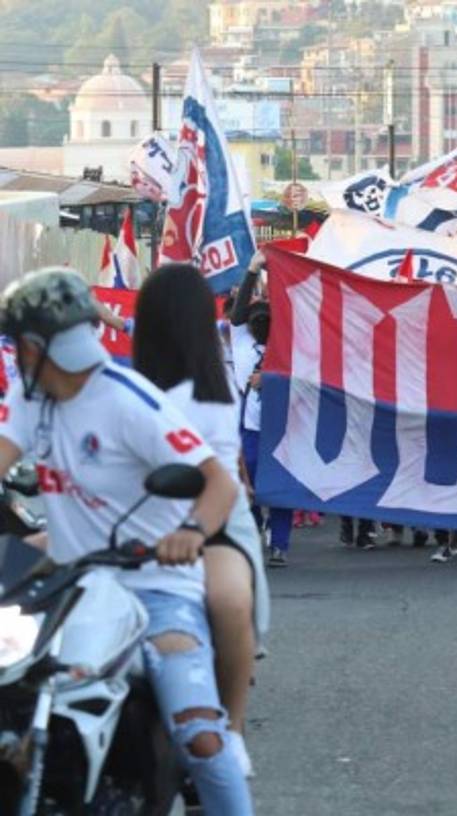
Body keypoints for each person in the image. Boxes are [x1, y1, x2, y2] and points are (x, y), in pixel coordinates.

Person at [0, 267, 252, 813]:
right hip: (67, 593)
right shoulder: (30, 399)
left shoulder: (127, 400)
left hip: (156, 590)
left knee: (202, 738)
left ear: (37, 346)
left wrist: (190, 531)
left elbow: (218, 481)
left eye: (18, 343)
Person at [130, 263, 270, 778]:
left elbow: (219, 481)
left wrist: (189, 529)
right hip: (131, 519)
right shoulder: (124, 387)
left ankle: (231, 732)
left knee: (228, 599)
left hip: (210, 525)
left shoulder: (215, 393)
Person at [231, 251, 293, 567]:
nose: (259, 320)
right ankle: (254, 530)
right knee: (249, 483)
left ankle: (279, 543)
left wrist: (270, 379)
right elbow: (239, 312)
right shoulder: (240, 339)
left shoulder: (286, 339)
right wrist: (252, 271)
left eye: (266, 315)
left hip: (283, 427)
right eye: (255, 317)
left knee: (282, 487)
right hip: (252, 428)